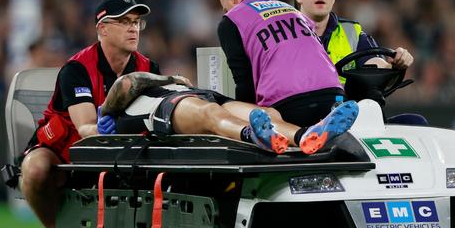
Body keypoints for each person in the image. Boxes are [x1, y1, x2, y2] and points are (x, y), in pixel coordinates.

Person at [19, 0, 160, 228]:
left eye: (136, 22)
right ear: (102, 29)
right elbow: (85, 127)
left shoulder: (147, 68)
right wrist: (112, 127)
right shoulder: (77, 69)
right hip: (66, 153)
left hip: (120, 154)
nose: (133, 28)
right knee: (34, 169)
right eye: (123, 22)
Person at [215, 0, 355, 128]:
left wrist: (246, 120)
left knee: (226, 108)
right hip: (333, 95)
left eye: (224, 6)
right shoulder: (292, 10)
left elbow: (243, 81)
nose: (226, 11)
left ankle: (299, 134)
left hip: (287, 106)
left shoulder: (232, 19)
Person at [98, 71, 359, 156]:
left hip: (196, 95)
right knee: (210, 114)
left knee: (265, 112)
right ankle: (252, 136)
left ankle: (306, 136)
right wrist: (170, 77)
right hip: (167, 107)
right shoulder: (124, 104)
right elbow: (127, 83)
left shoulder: (151, 79)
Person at [283, 0, 414, 81]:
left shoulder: (352, 33)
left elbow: (375, 66)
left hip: (346, 104)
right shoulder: (280, 34)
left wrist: (395, 64)